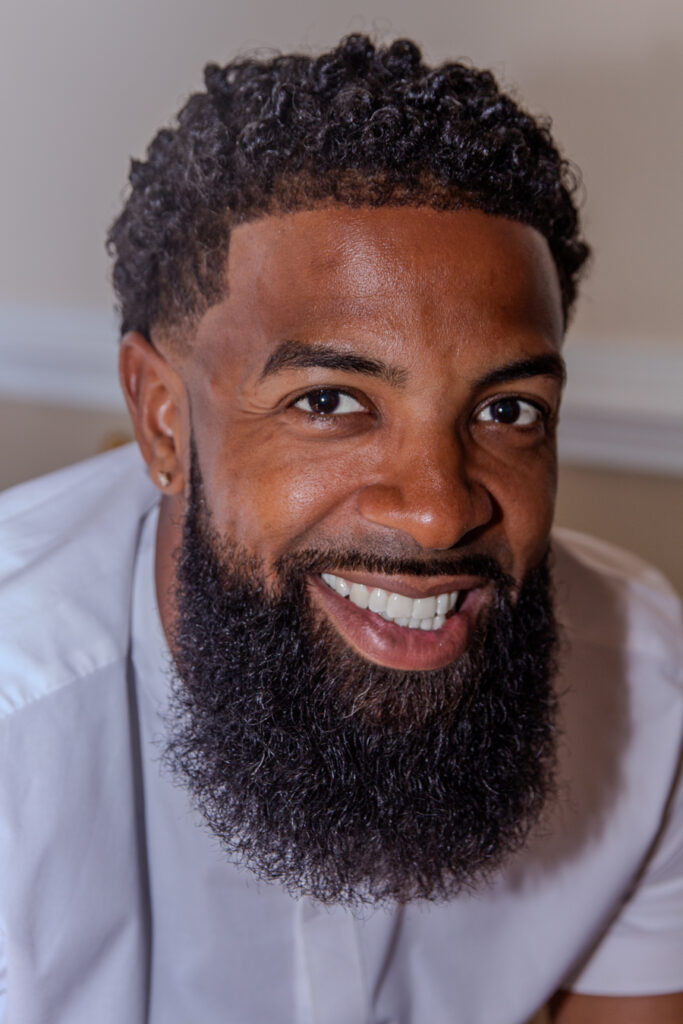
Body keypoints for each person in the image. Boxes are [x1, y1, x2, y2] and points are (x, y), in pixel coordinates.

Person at [0, 35, 681, 1024]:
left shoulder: (647, 689)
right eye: (328, 401)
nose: (440, 508)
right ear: (161, 418)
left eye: (506, 412)